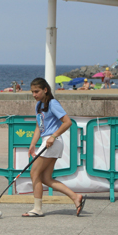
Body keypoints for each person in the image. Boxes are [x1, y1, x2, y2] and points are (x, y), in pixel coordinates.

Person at [23, 77, 86, 217]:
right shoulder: (38, 105)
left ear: (45, 90)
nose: (34, 95)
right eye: (32, 92)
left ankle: (37, 209)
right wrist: (33, 144)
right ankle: (75, 197)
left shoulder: (53, 103)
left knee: (34, 173)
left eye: (37, 91)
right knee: (45, 178)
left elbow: (67, 122)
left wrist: (53, 136)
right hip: (47, 141)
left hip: (53, 141)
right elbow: (39, 127)